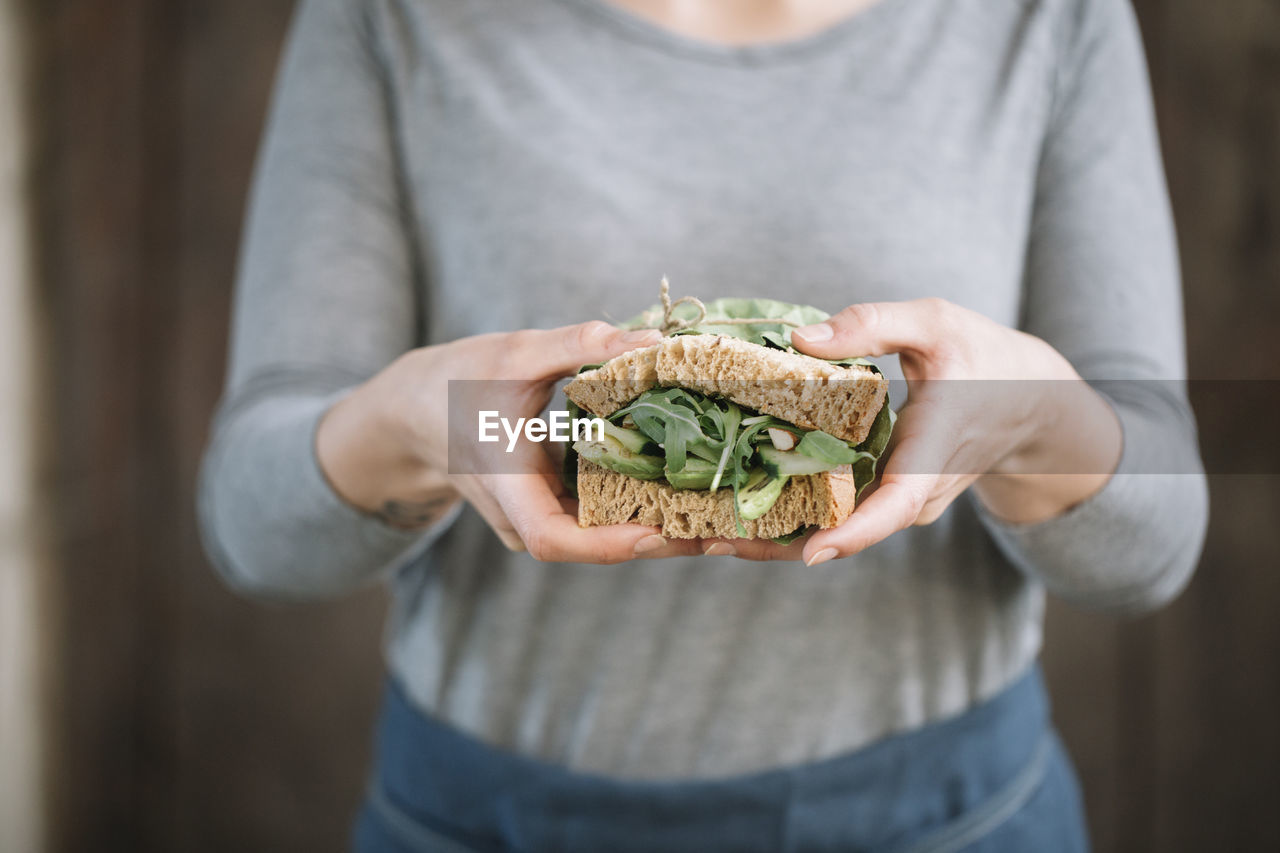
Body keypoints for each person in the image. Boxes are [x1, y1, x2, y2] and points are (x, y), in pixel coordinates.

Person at [197, 0, 1208, 849]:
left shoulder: (1046, 17)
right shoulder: (392, 18)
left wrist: (1026, 420)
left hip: (947, 818)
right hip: (482, 819)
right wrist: (426, 429)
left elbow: (1155, 540)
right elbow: (252, 521)